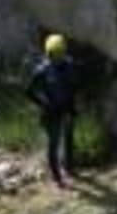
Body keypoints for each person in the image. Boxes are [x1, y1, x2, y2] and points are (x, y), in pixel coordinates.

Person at [26, 34, 79, 189]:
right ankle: (57, 177)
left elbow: (73, 87)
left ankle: (69, 168)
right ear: (49, 54)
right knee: (54, 143)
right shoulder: (42, 71)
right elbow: (28, 92)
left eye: (62, 53)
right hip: (51, 112)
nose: (60, 57)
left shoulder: (69, 65)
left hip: (67, 108)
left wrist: (73, 108)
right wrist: (44, 104)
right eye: (56, 54)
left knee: (69, 138)